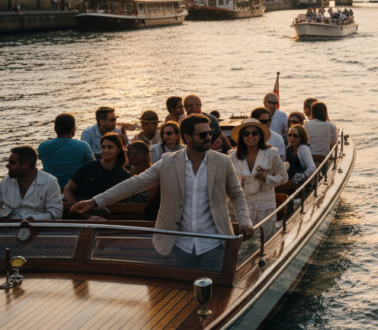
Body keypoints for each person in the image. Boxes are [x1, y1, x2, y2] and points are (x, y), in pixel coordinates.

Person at [72, 114, 254, 270]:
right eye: (204, 134)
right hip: (180, 244)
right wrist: (95, 201)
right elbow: (135, 184)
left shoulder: (223, 162)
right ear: (187, 138)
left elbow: (236, 194)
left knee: (214, 292)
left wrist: (245, 221)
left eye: (211, 133)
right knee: (184, 294)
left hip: (215, 242)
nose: (210, 137)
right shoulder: (168, 162)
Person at [231, 118, 287, 239]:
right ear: (242, 137)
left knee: (266, 238)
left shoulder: (271, 154)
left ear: (260, 136)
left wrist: (266, 178)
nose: (250, 136)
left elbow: (283, 177)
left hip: (266, 204)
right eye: (246, 133)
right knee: (244, 240)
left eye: (254, 133)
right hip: (244, 205)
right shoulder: (233, 156)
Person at [1, 146, 63, 221]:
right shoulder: (5, 182)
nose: (8, 166)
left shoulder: (50, 182)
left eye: (12, 162)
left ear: (25, 164)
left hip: (38, 228)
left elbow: (56, 213)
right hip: (8, 228)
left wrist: (32, 219)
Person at [64, 134, 131, 203]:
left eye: (110, 147)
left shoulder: (123, 175)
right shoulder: (89, 167)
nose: (105, 150)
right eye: (103, 147)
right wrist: (75, 206)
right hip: (81, 210)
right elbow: (68, 188)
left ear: (118, 150)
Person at [38, 113, 94, 189]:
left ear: (55, 129)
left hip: (51, 188)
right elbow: (92, 166)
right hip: (75, 189)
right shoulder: (82, 146)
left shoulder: (43, 146)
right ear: (73, 129)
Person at [125, 141, 158, 205]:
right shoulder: (126, 171)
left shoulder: (154, 172)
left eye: (136, 153)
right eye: (130, 153)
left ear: (146, 155)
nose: (131, 156)